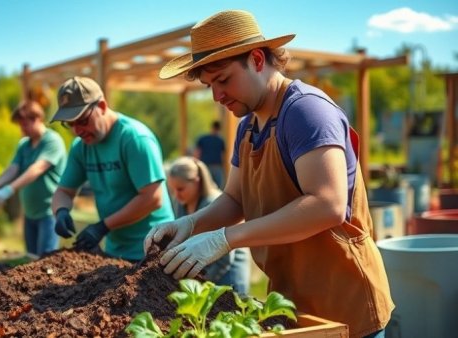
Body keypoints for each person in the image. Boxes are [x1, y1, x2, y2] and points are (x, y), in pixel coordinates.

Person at [145, 10, 393, 338]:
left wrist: (226, 239)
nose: (217, 96)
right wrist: (190, 224)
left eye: (223, 80)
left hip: (345, 305)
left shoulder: (306, 111)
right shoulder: (248, 126)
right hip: (292, 303)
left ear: (258, 59)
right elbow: (235, 199)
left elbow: (327, 205)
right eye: (209, 86)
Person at [51, 76, 174, 262]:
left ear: (101, 106)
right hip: (116, 251)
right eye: (70, 124)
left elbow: (152, 198)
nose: (77, 130)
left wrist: (103, 227)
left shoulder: (134, 138)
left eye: (82, 120)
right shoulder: (81, 147)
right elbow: (63, 191)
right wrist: (60, 211)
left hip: (155, 250)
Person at [0, 100, 67, 256]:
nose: (22, 129)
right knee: (30, 260)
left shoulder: (52, 141)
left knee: (45, 261)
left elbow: (37, 168)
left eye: (25, 125)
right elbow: (13, 169)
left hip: (49, 213)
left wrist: (9, 190)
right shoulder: (24, 144)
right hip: (30, 214)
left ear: (37, 119)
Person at [167, 156, 250, 295]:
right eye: (173, 190)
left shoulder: (213, 203)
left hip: (228, 272)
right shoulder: (182, 204)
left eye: (180, 189)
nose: (176, 194)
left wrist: (200, 283)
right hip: (204, 269)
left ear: (196, 182)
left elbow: (225, 259)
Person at [194, 120, 226, 188]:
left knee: (205, 186)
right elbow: (222, 155)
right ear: (219, 129)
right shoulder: (220, 140)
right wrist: (224, 167)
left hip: (205, 166)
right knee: (218, 187)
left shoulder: (203, 139)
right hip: (216, 166)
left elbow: (197, 152)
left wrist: (196, 164)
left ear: (212, 127)